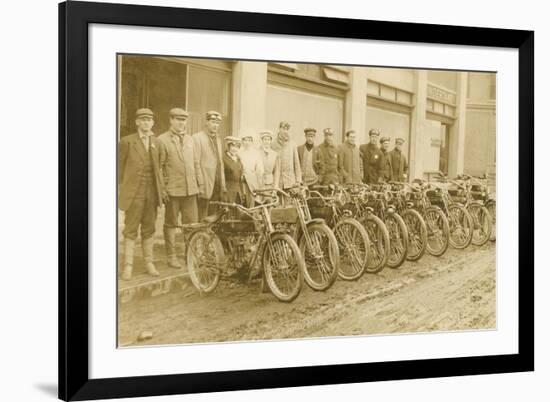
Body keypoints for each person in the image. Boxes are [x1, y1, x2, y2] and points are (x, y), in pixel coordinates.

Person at [118, 108, 164, 280]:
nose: (146, 122)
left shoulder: (157, 142)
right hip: (134, 194)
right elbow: (118, 171)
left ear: (152, 123)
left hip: (151, 194)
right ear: (137, 122)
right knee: (130, 229)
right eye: (143, 119)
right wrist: (124, 190)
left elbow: (158, 168)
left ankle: (149, 263)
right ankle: (128, 266)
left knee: (149, 228)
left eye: (149, 120)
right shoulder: (127, 142)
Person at [158, 108, 203, 269]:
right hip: (173, 190)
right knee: (171, 223)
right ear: (170, 120)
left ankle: (190, 255)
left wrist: (200, 184)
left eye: (183, 120)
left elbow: (196, 163)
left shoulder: (190, 140)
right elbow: (159, 167)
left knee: (191, 224)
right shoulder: (162, 140)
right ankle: (171, 257)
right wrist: (163, 189)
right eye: (177, 119)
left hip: (190, 189)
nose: (181, 123)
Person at [193, 111, 227, 219]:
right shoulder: (197, 138)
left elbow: (220, 163)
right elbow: (196, 163)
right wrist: (200, 184)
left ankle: (210, 236)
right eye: (213, 122)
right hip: (205, 184)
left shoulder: (218, 139)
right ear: (206, 122)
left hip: (217, 186)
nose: (215, 125)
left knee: (214, 217)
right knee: (202, 217)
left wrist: (223, 185)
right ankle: (200, 236)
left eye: (217, 123)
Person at [271, 121, 302, 190]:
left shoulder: (292, 144)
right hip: (277, 181)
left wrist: (298, 180)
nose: (285, 131)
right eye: (283, 129)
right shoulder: (273, 144)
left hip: (290, 181)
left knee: (289, 200)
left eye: (287, 129)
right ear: (279, 129)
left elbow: (296, 163)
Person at [239, 133, 264, 206]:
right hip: (242, 181)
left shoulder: (256, 153)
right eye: (245, 140)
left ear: (252, 141)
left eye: (249, 140)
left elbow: (260, 169)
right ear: (242, 141)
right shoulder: (239, 153)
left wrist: (253, 177)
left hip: (253, 182)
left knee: (252, 204)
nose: (247, 143)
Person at [222, 136, 246, 205]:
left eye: (237, 147)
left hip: (238, 191)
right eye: (232, 146)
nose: (235, 149)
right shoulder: (224, 159)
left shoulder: (238, 158)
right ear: (228, 147)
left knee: (237, 212)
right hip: (228, 191)